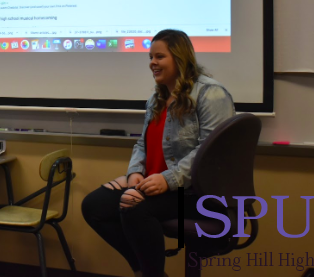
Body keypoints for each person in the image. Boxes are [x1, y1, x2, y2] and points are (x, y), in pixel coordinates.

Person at [81, 29, 235, 277]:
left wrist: (168, 179)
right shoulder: (157, 97)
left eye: (159, 56)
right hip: (155, 184)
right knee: (93, 206)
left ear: (179, 58)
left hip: (195, 193)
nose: (152, 62)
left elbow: (211, 153)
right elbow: (142, 144)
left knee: (133, 205)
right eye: (150, 57)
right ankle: (144, 270)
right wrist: (134, 173)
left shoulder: (211, 93)